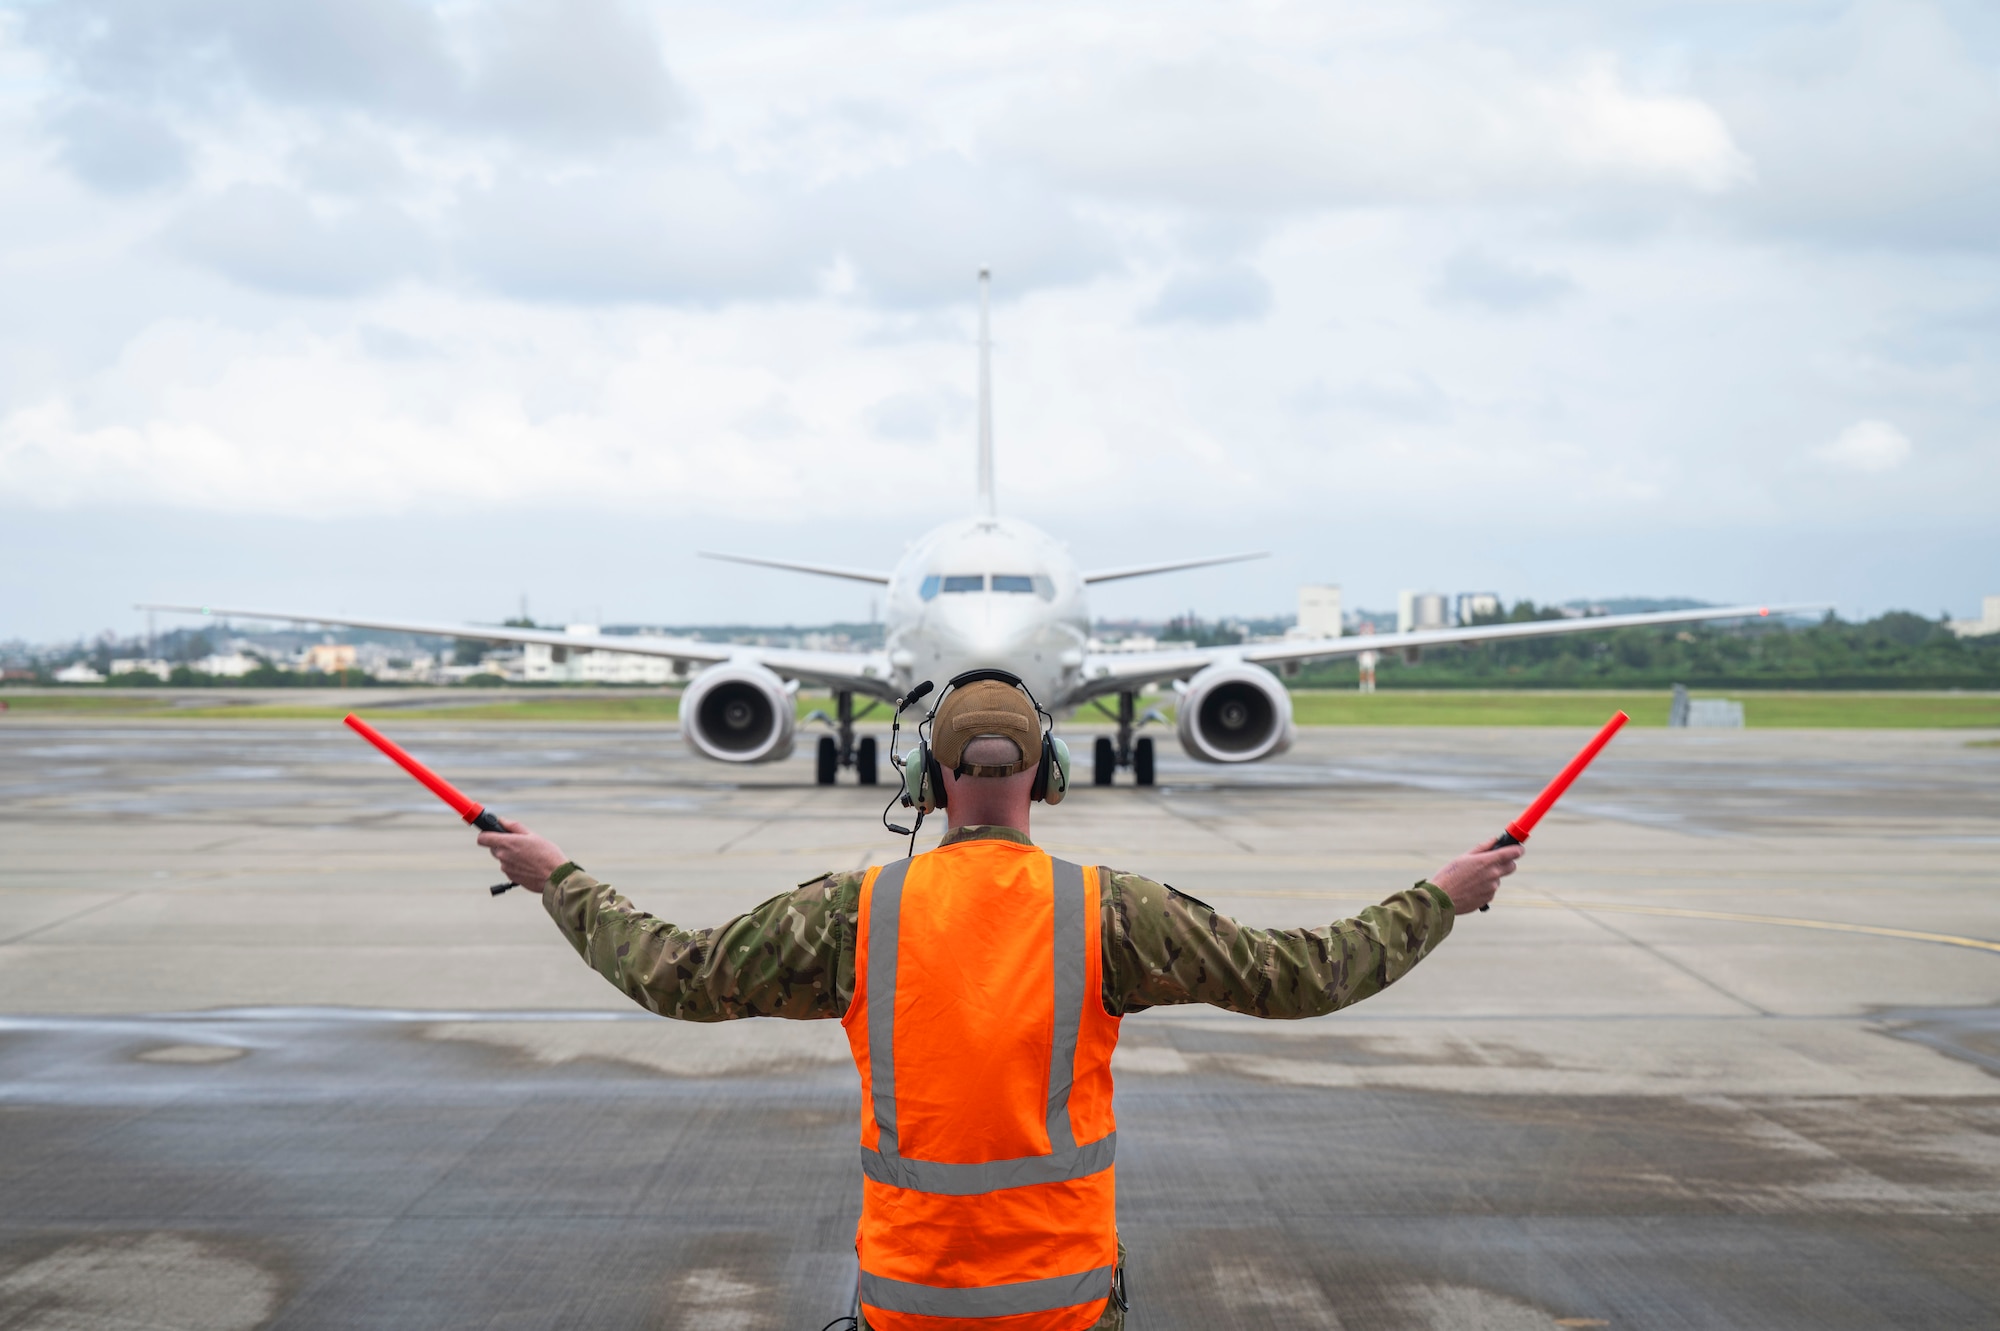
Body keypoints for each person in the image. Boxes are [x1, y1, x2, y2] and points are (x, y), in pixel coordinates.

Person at [479, 672, 1520, 1331]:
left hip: (908, 1297)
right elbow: (1305, 976)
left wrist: (556, 875)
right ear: (1047, 774)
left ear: (923, 781)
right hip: (1062, 1303)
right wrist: (1441, 895)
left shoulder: (857, 910)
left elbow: (677, 974)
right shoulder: (1110, 909)